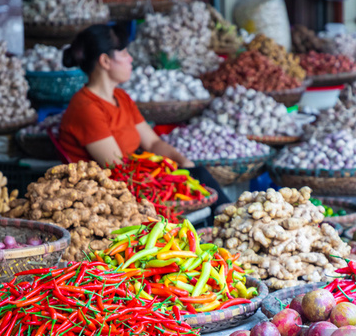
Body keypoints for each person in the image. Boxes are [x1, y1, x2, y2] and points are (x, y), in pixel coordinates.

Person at [58, 23, 230, 214]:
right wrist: (163, 175)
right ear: (105, 61)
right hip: (109, 192)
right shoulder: (86, 108)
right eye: (124, 53)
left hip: (135, 178)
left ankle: (227, 214)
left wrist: (182, 161)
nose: (130, 59)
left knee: (198, 174)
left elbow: (154, 143)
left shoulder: (121, 97)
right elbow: (117, 169)